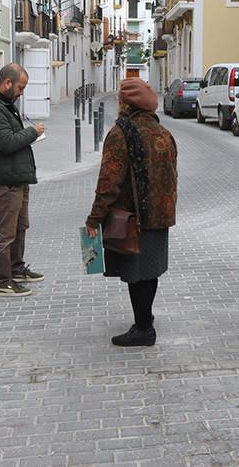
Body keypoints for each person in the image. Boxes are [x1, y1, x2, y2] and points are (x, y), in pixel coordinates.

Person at [85, 79, 177, 347]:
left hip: (133, 217)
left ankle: (144, 329)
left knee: (137, 274)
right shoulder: (162, 132)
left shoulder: (121, 133)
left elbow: (108, 182)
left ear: (125, 104)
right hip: (160, 214)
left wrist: (95, 219)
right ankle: (145, 320)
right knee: (150, 271)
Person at [0, 64, 46, 297]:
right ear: (7, 83)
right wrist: (33, 132)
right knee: (5, 232)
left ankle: (16, 268)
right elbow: (6, 142)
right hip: (4, 178)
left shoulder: (2, 104)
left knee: (19, 226)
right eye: (20, 87)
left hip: (16, 175)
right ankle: (1, 281)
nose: (21, 92)